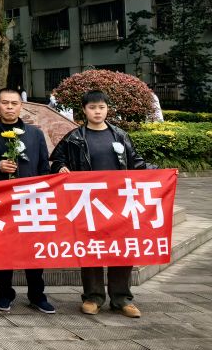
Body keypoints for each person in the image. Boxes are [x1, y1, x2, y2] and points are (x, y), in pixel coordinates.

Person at [51, 90, 151, 318]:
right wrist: (60, 167)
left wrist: (159, 173)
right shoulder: (74, 137)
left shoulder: (120, 136)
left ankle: (122, 298)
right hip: (88, 204)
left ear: (107, 109)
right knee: (91, 250)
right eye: (92, 107)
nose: (97, 112)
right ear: (84, 110)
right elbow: (57, 160)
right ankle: (93, 297)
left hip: (119, 202)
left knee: (122, 249)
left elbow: (136, 163)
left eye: (101, 107)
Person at [0, 88, 55, 315]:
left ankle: (37, 295)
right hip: (1, 202)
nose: (9, 107)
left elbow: (43, 167)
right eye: (5, 103)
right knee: (3, 249)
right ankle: (4, 294)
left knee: (33, 249)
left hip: (31, 201)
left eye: (14, 103)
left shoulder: (35, 134)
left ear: (21, 106)